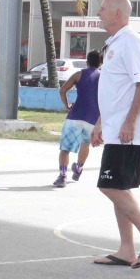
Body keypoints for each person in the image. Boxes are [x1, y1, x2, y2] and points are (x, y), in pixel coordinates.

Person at [90, 0, 140, 269]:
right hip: (116, 130)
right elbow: (115, 91)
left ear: (116, 14)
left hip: (128, 133)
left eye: (102, 8)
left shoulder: (131, 41)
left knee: (109, 185)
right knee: (118, 187)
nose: (98, 12)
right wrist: (102, 122)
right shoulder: (115, 44)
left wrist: (129, 123)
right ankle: (127, 249)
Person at [53, 49, 101, 188]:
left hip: (75, 115)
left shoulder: (79, 74)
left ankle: (62, 176)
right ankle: (79, 168)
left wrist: (67, 105)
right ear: (100, 63)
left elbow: (62, 90)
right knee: (85, 144)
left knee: (65, 149)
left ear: (87, 62)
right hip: (93, 119)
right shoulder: (104, 77)